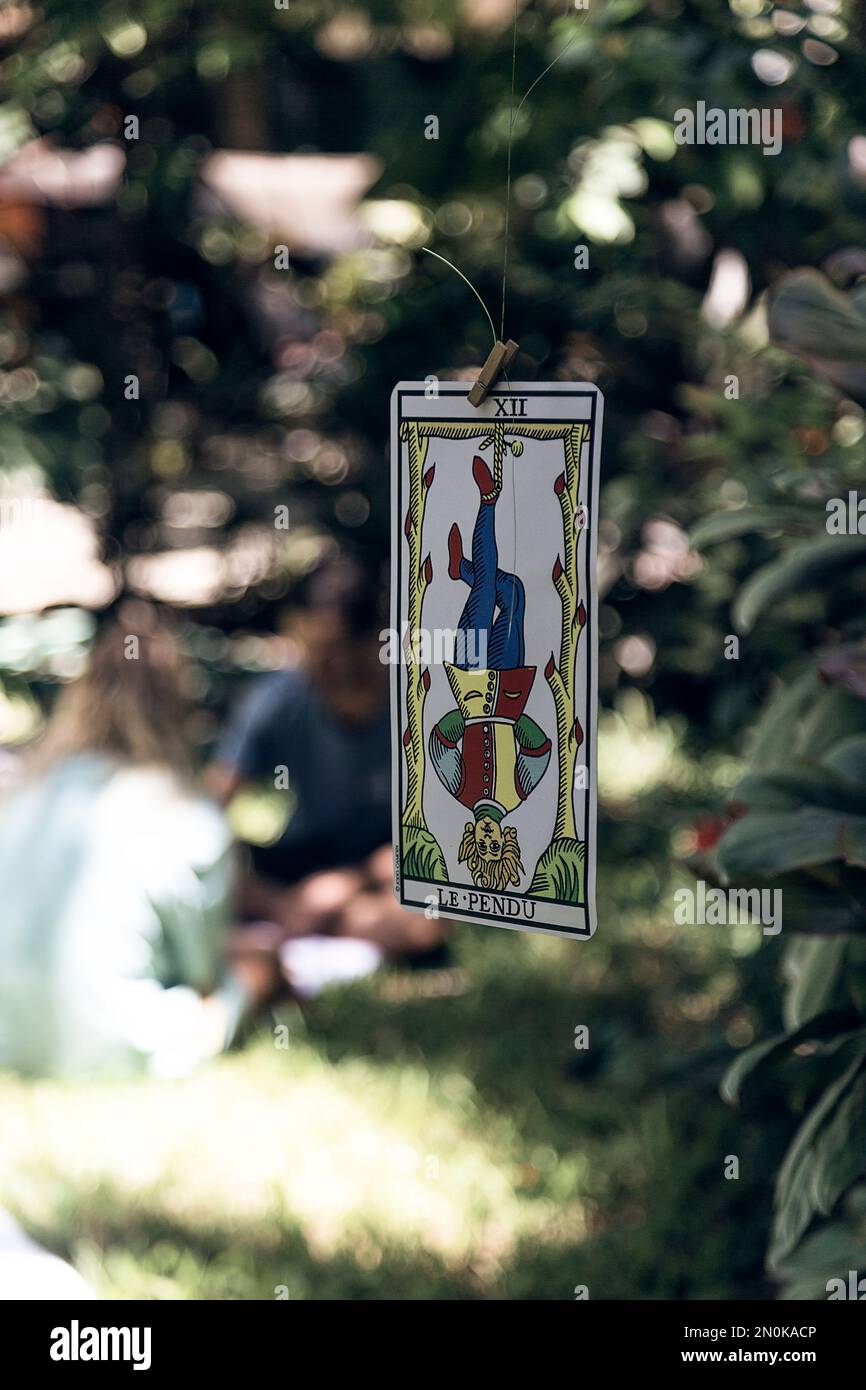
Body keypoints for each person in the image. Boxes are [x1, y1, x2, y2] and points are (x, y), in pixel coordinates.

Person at [0, 601, 274, 1079]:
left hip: (7, 1034)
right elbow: (202, 972)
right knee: (258, 966)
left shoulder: (24, 796)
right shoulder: (185, 816)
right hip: (109, 1043)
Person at [208, 558, 444, 956]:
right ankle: (303, 923)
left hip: (390, 864)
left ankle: (299, 929)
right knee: (219, 881)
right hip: (300, 863)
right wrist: (278, 900)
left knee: (426, 921)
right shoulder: (279, 699)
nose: (320, 665)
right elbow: (207, 806)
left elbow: (441, 839)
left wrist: (341, 885)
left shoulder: (423, 703)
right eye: (309, 649)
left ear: (372, 640)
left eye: (333, 650)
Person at [429, 455, 551, 890]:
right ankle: (461, 569)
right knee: (514, 594)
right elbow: (540, 751)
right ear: (505, 838)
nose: (487, 840)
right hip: (509, 689)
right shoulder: (516, 797)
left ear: (471, 838)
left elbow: (439, 744)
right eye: (495, 845)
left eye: (481, 846)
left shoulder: (460, 792)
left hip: (471, 676)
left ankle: (488, 500)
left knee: (485, 594)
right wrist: (516, 723)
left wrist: (466, 716)